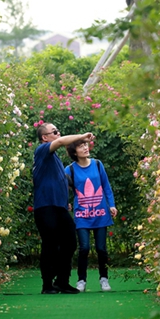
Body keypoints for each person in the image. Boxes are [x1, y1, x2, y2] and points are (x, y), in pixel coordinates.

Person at [32, 122, 93, 294]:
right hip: (45, 207)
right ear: (45, 137)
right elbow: (61, 142)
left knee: (70, 243)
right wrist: (82, 137)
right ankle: (47, 285)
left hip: (59, 207)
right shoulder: (42, 150)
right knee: (50, 245)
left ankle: (62, 281)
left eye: (59, 131)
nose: (58, 134)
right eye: (55, 132)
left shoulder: (54, 159)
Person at [65, 138, 117, 292]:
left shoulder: (98, 164)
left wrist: (112, 205)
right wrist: (65, 202)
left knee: (101, 248)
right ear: (74, 152)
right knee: (84, 248)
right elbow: (63, 189)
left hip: (101, 213)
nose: (85, 148)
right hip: (82, 214)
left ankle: (104, 279)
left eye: (86, 145)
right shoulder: (70, 169)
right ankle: (81, 280)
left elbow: (106, 187)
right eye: (81, 146)